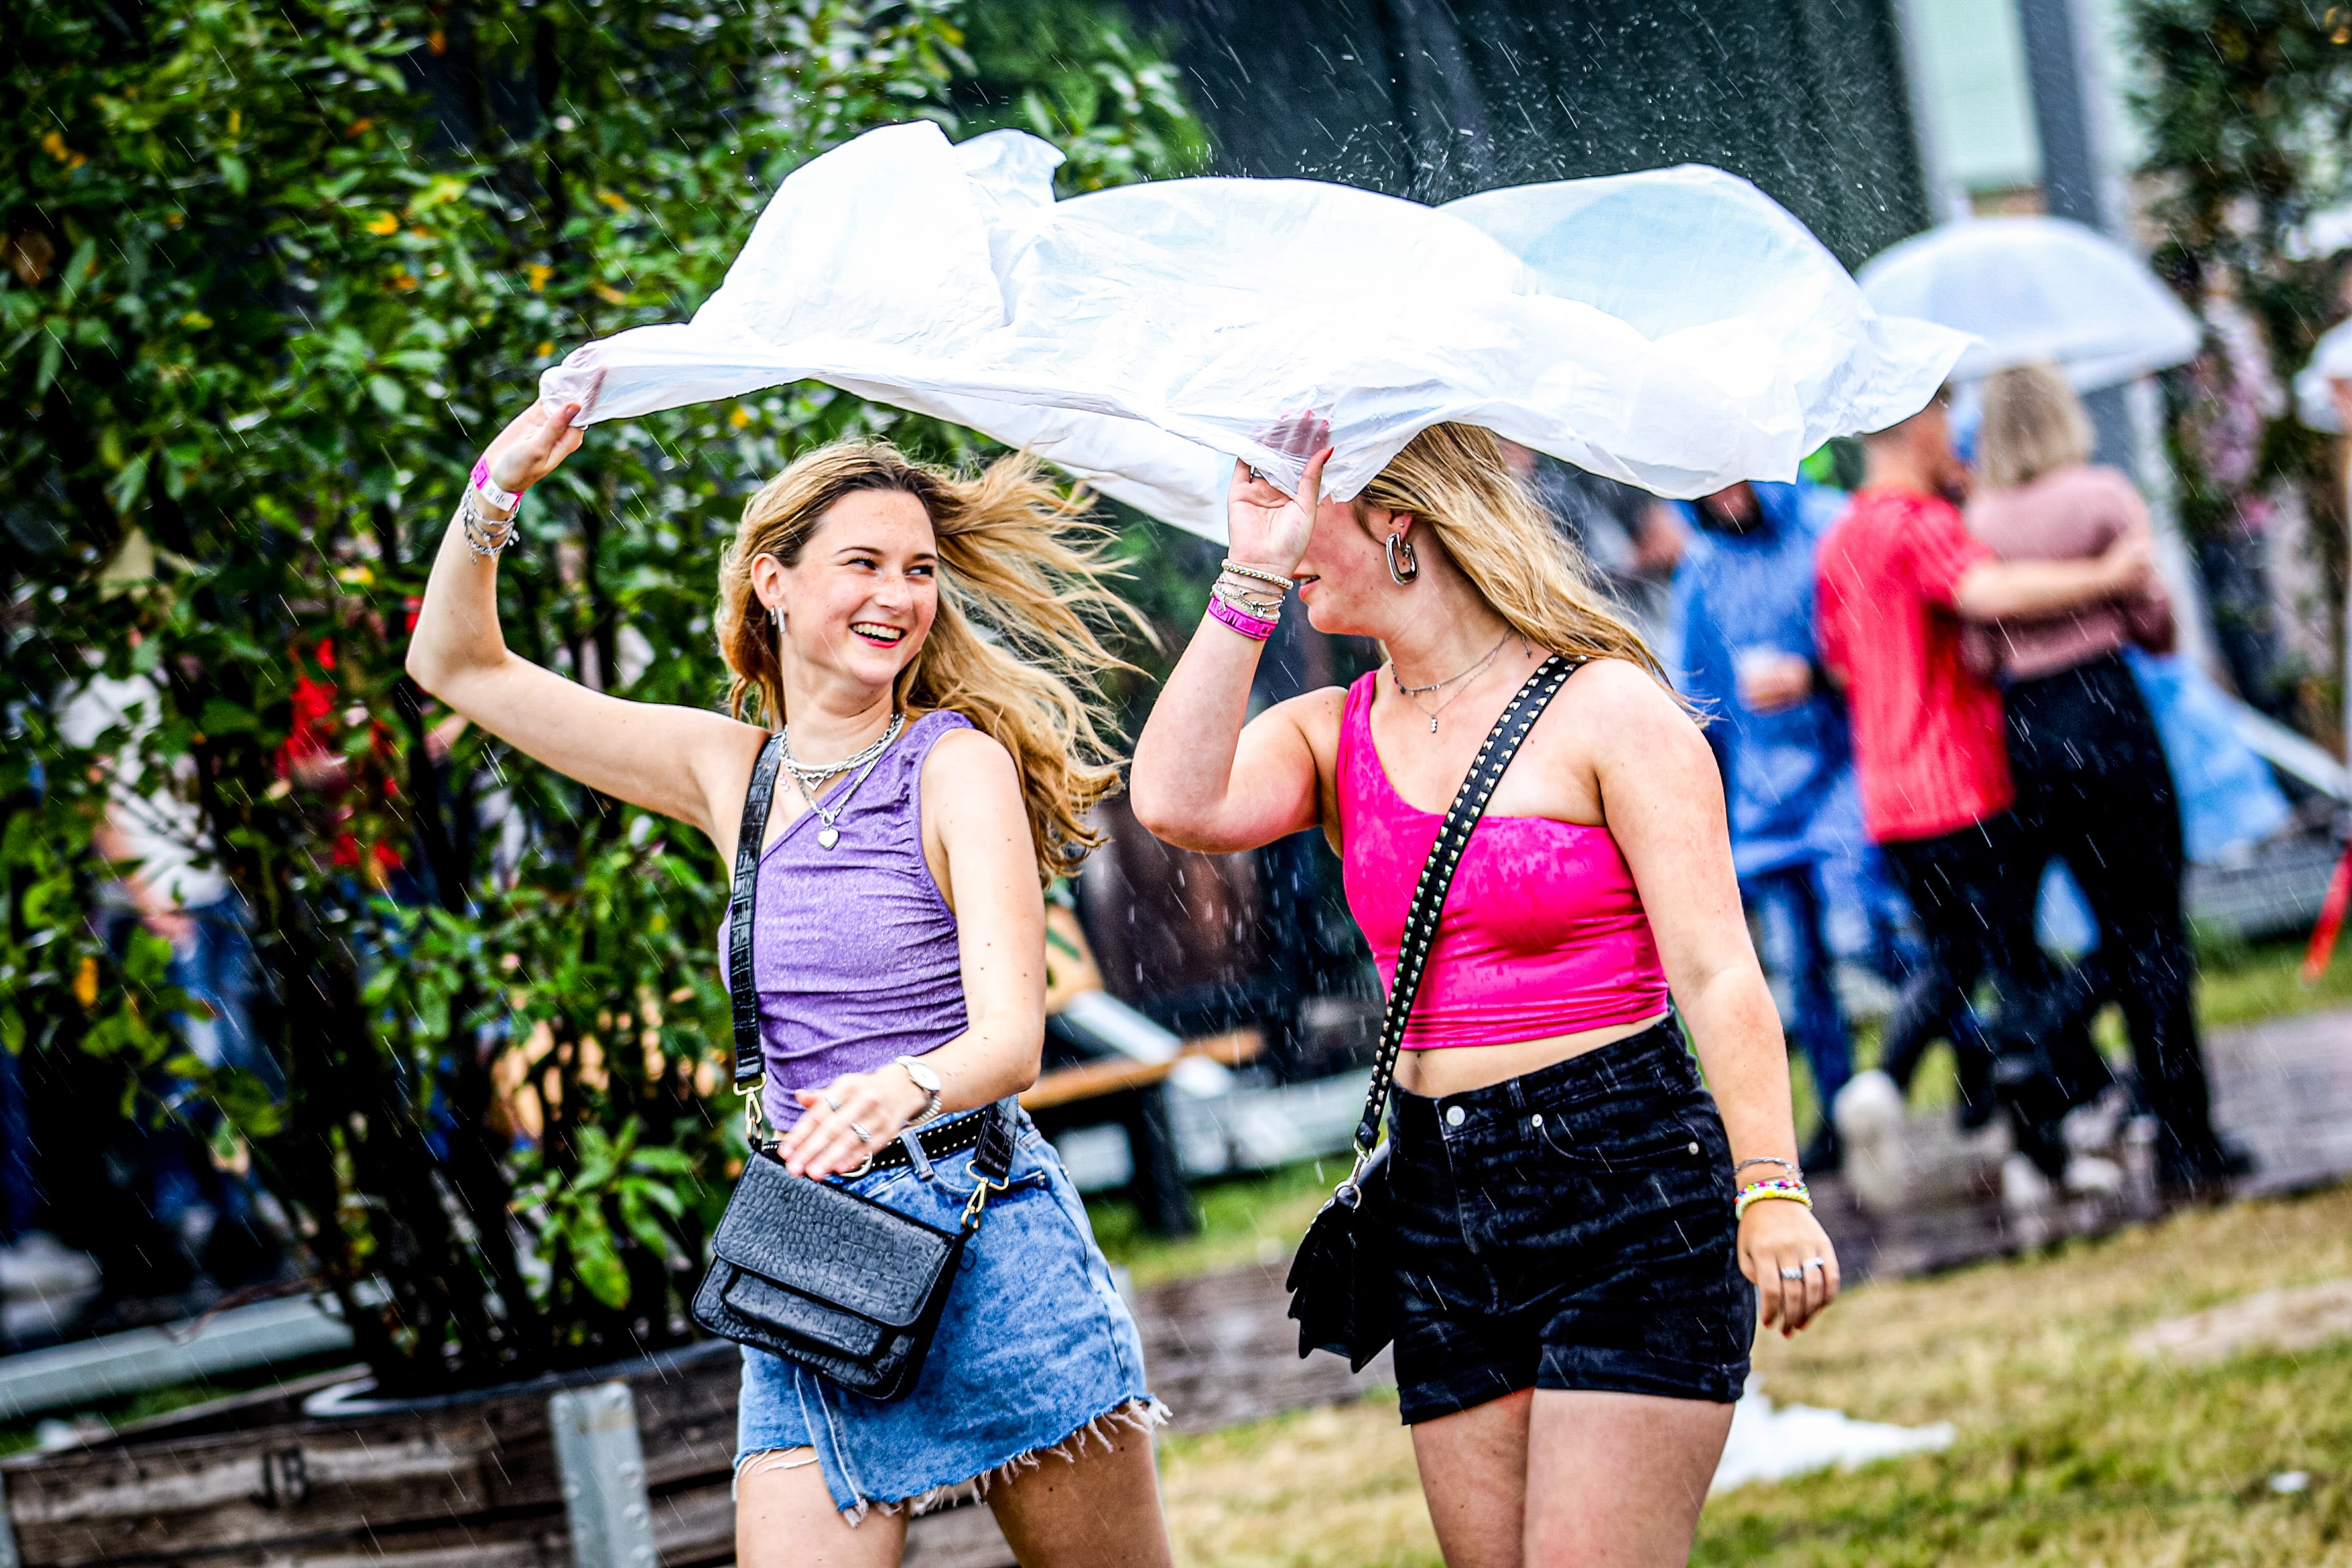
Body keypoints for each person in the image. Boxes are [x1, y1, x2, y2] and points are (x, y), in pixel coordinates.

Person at [406, 396, 1174, 1567]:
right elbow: (454, 663)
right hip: (815, 1252)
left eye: (918, 570)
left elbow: (1011, 1042)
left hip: (984, 1229)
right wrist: (497, 485)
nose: (898, 595)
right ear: (772, 581)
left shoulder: (955, 766)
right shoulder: (732, 774)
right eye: (861, 563)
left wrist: (896, 1092)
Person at [1130, 424, 1841, 1568]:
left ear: (1396, 519)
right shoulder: (1336, 732)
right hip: (1439, 1203)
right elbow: (1173, 797)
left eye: (1312, 516)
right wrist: (1253, 569)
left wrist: (1772, 1189)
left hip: (1627, 1187)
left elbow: (1718, 970)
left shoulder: (1610, 711)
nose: (1282, 539)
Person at [1814, 390, 2152, 1187]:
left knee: (1959, 959)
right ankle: (2043, 1154)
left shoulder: (1840, 541)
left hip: (1891, 801)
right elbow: (1985, 597)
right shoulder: (1920, 525)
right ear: (1923, 422)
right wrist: (2107, 574)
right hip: (1963, 788)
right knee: (2021, 968)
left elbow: (1838, 667)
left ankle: (1886, 1082)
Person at [1967, 363, 2250, 1195]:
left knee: (2101, 926)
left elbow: (1980, 653)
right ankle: (2185, 1133)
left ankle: (2033, 1044)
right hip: (2111, 712)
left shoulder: (1976, 520)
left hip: (2029, 730)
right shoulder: (2101, 496)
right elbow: (2157, 625)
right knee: (2152, 930)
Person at [1668, 479, 1860, 1169]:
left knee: (1876, 938)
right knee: (1803, 967)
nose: (1724, 496)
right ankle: (1840, 1108)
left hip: (1850, 775)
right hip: (1763, 799)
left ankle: (1963, 1054)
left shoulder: (1826, 529)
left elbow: (1870, 644)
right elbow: (1692, 696)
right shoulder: (1703, 570)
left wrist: (1813, 675)